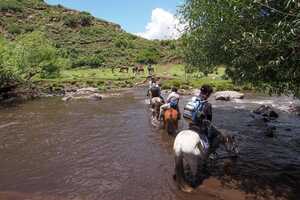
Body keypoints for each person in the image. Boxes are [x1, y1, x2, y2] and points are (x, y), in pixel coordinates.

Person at [188, 84, 215, 157]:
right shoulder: (208, 105)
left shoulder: (193, 100)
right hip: (200, 129)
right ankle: (210, 154)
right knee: (212, 136)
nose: (209, 95)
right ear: (207, 93)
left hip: (191, 126)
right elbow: (209, 120)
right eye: (209, 94)